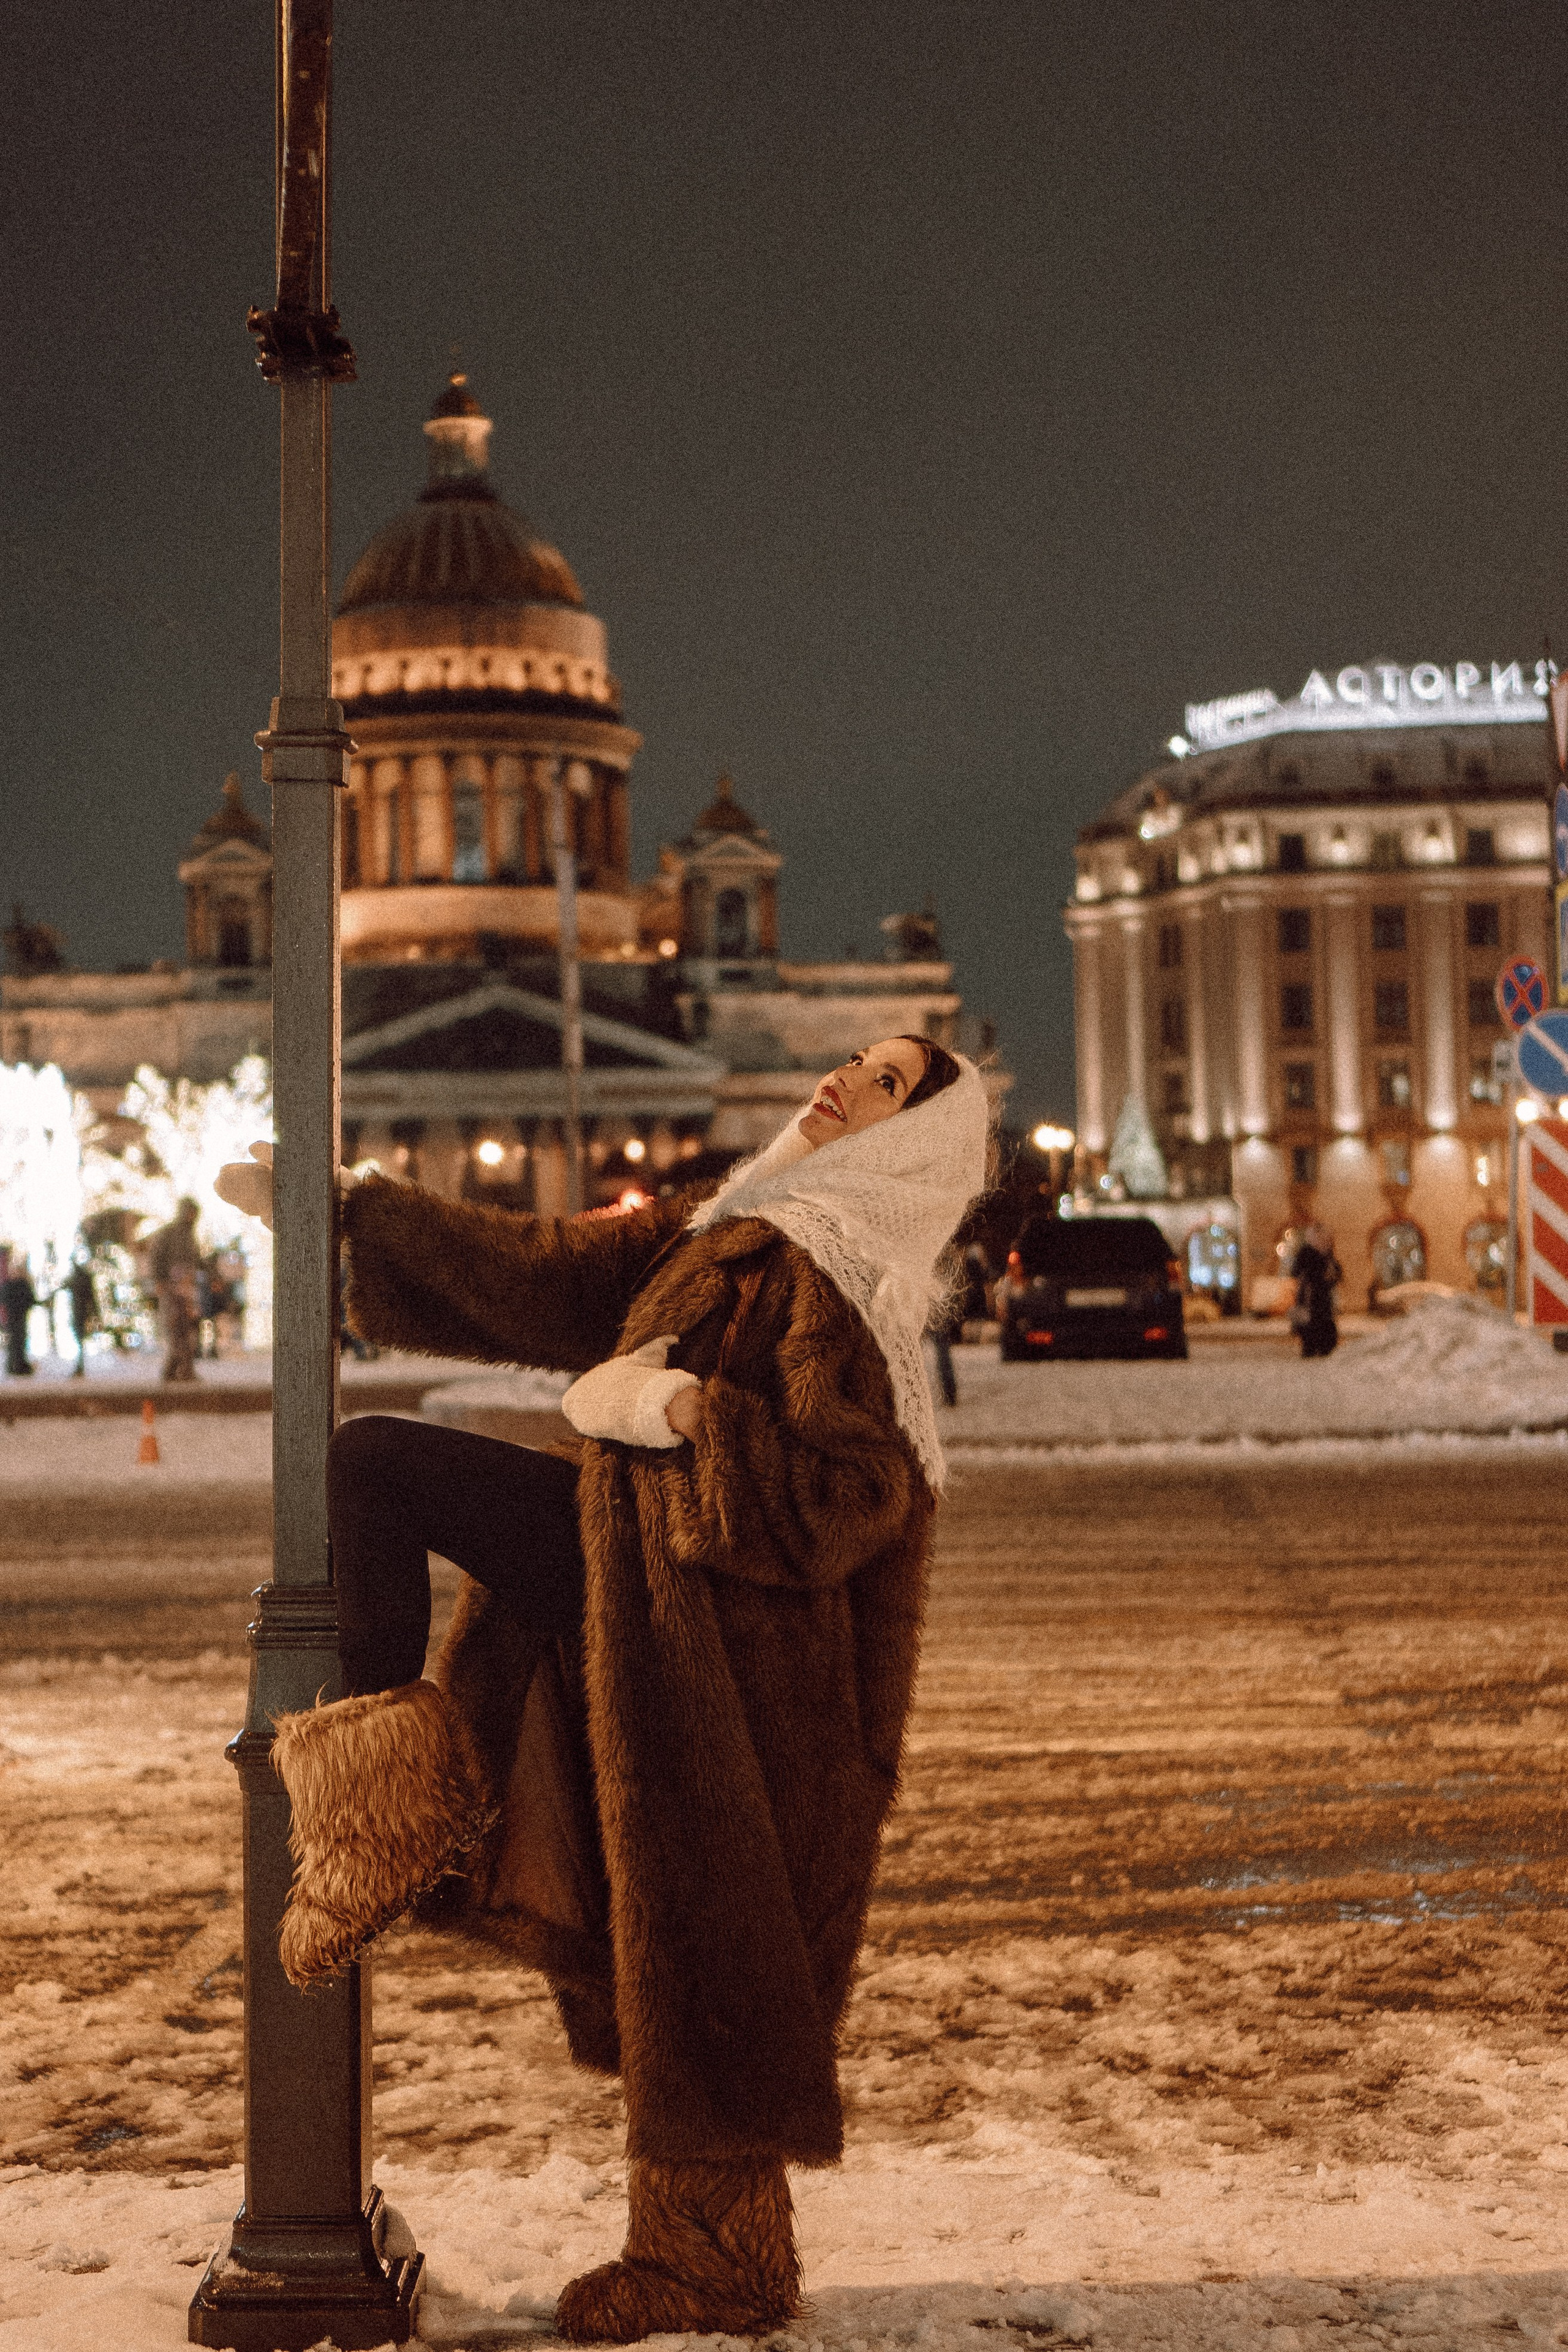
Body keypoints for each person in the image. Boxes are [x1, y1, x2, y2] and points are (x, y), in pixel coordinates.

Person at [219, 1036, 987, 2343]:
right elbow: (541, 1273)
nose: (844, 1083)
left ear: (914, 1136)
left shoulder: (848, 1275)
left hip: (735, 1660)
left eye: (888, 1085)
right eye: (857, 1061)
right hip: (643, 1589)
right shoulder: (736, 1229)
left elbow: (843, 1500)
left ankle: (712, 2264)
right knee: (676, 1944)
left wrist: (672, 1412)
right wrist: (349, 1210)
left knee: (706, 1958)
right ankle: (382, 1795)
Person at [146, 1198, 202, 1383]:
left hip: (185, 1289)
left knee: (183, 1330)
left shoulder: (188, 1235)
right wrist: (160, 1281)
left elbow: (193, 1261)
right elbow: (157, 1258)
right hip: (172, 1288)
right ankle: (181, 1369)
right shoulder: (171, 1234)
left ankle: (176, 1369)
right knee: (177, 1329)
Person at [1289, 1223, 1341, 1359]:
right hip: (1310, 1294)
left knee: (1322, 1320)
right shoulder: (1306, 1252)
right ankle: (1312, 1348)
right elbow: (1298, 1272)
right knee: (1311, 1321)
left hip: (1323, 1294)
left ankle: (1323, 1347)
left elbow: (1336, 1270)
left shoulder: (1327, 1253)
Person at [1, 1247, 37, 1378]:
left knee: (18, 1342)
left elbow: (30, 1300)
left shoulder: (19, 1284)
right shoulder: (13, 1285)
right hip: (15, 1318)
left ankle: (17, 1365)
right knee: (16, 1342)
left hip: (17, 1318)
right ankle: (15, 1366)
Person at [62, 1252, 97, 1378]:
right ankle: (79, 1365)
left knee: (79, 1336)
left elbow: (65, 1285)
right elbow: (92, 1296)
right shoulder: (84, 1277)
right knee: (79, 1337)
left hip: (79, 1310)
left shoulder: (77, 1278)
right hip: (82, 1310)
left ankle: (80, 1365)